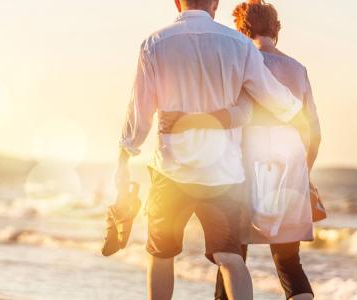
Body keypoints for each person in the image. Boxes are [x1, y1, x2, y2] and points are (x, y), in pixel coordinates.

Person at [114, 0, 303, 298]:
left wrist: (125, 155)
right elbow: (278, 100)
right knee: (230, 258)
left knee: (162, 254)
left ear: (176, 2)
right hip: (223, 173)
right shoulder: (239, 45)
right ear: (215, 2)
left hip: (170, 170)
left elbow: (139, 112)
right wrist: (294, 108)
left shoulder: (154, 44)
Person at [159, 2, 321, 300]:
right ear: (276, 29)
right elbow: (313, 132)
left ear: (242, 30)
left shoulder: (241, 58)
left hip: (244, 166)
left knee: (231, 257)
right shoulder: (299, 70)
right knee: (288, 263)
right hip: (291, 166)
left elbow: (234, 116)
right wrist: (303, 174)